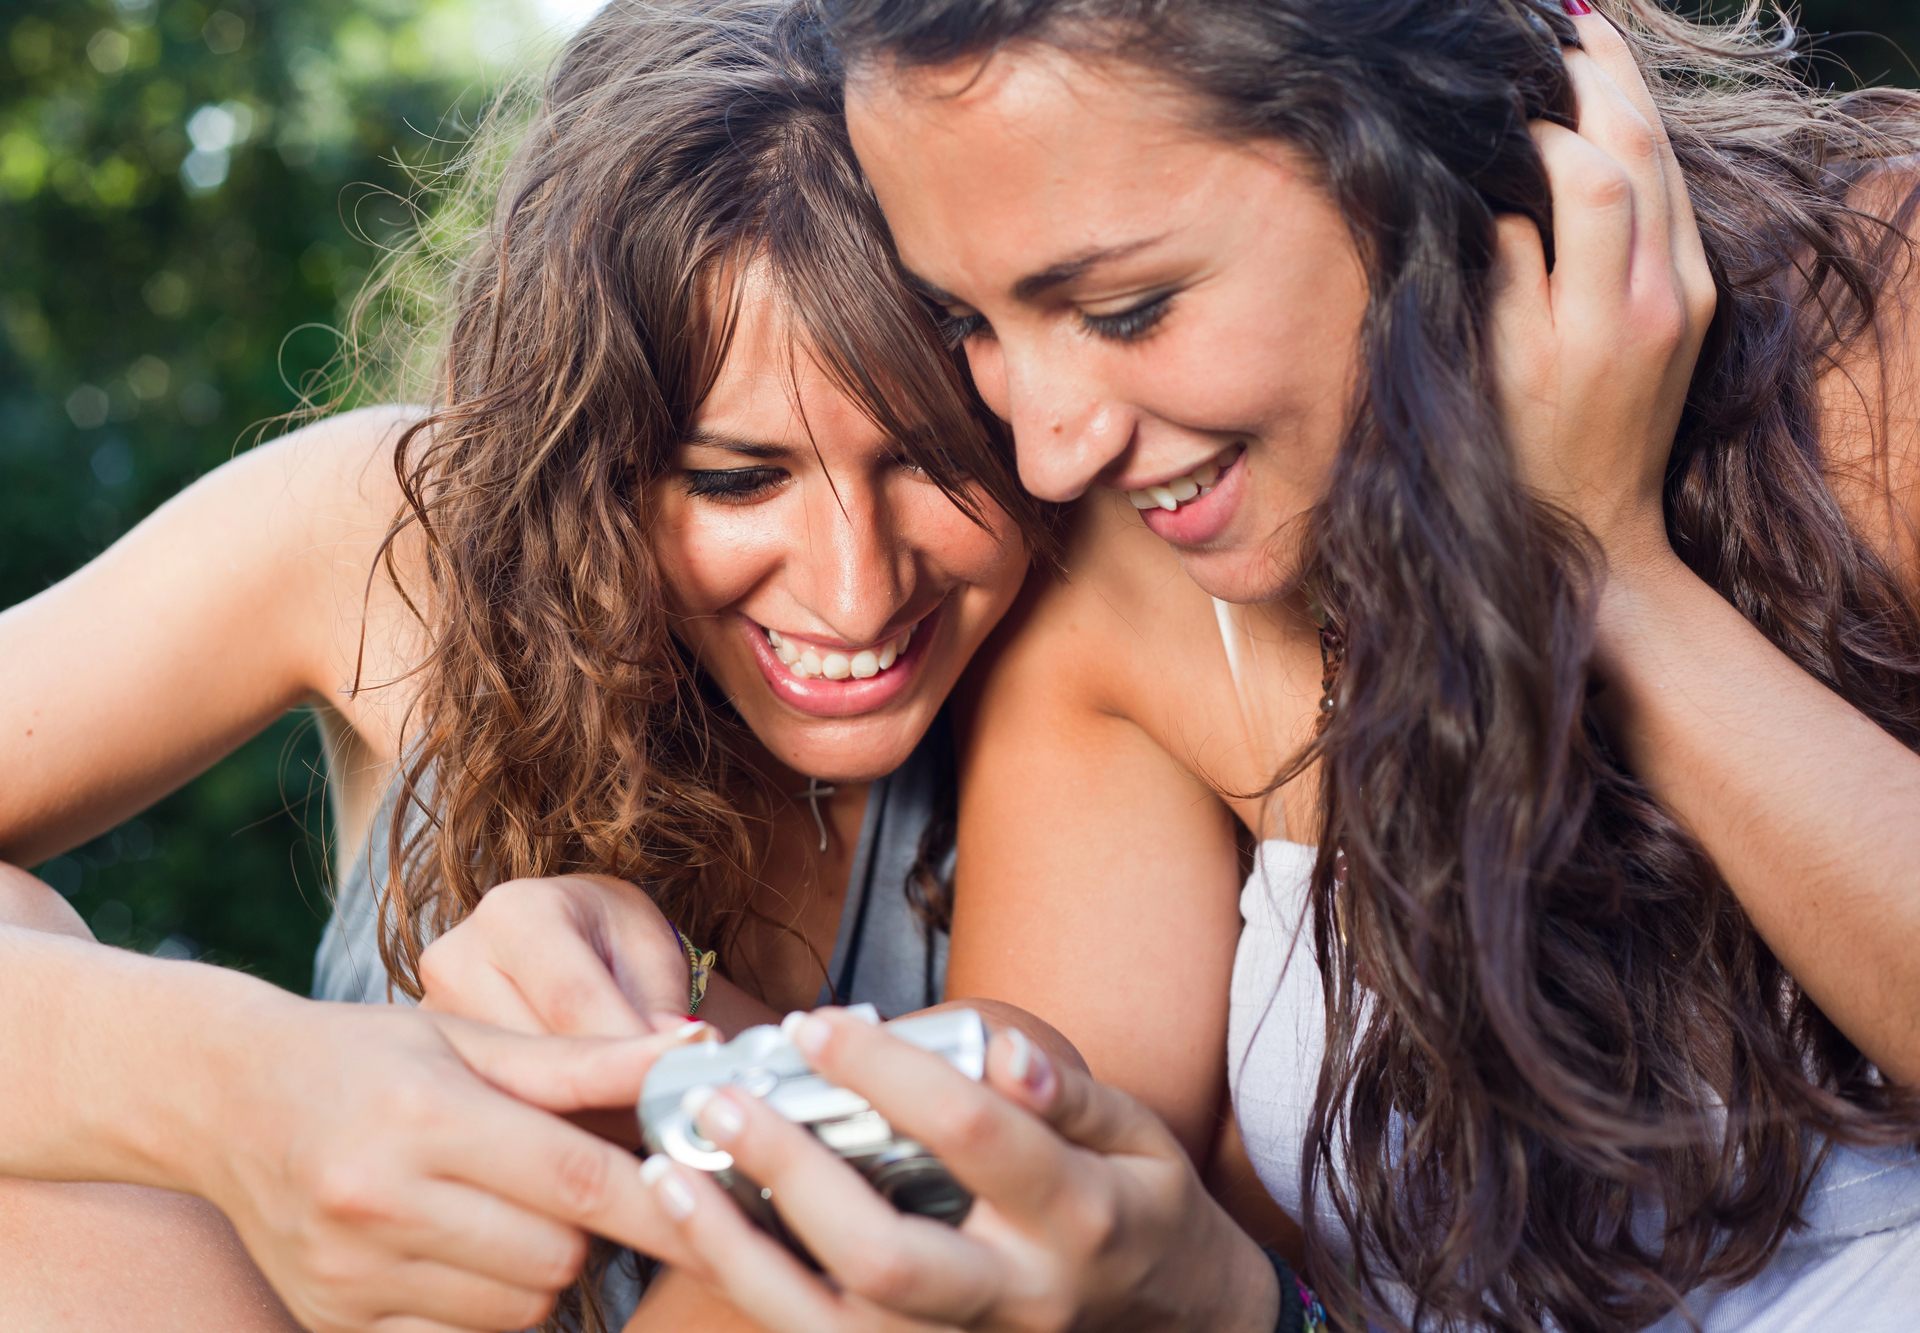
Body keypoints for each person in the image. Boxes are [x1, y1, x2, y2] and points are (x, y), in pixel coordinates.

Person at [629, 1, 1920, 1330]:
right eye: (969, 319)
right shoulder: (1131, 593)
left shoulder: (1883, 337)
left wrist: (1607, 569)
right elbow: (992, 1183)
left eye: (1126, 309)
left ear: (1416, 141)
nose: (1048, 456)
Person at [0, 1, 1066, 1328]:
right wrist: (241, 1089)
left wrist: (687, 1022)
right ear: (586, 456)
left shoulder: (1093, 656)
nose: (857, 587)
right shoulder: (394, 541)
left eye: (937, 457)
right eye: (739, 479)